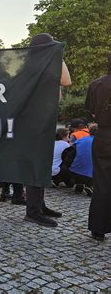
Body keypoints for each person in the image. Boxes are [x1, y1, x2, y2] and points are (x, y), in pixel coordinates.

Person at [24, 33, 71, 227]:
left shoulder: (37, 66)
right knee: (36, 164)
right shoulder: (36, 68)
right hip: (35, 122)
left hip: (43, 120)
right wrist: (58, 55)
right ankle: (33, 211)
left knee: (42, 163)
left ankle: (39, 205)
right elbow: (67, 80)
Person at [86, 54, 111, 241]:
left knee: (102, 182)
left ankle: (98, 229)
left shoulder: (97, 84)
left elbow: (92, 110)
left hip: (104, 135)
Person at [62, 126, 96, 196]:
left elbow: (68, 153)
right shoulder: (102, 142)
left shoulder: (80, 140)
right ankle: (89, 185)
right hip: (91, 175)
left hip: (73, 172)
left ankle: (79, 183)